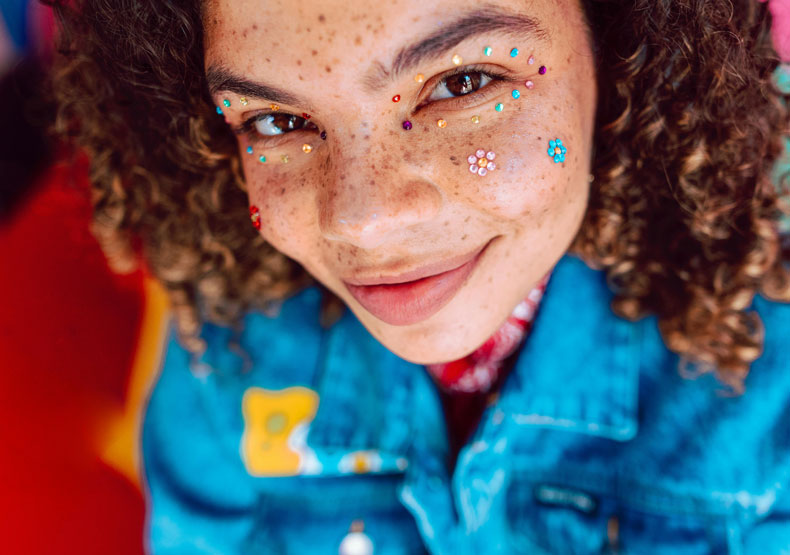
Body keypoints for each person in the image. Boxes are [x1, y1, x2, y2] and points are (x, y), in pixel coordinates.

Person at [49, 0, 790, 552]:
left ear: (622, 50)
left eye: (463, 82)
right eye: (276, 122)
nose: (360, 218)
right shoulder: (225, 360)